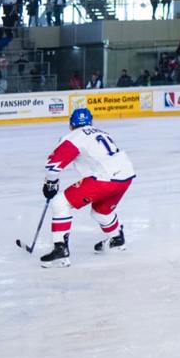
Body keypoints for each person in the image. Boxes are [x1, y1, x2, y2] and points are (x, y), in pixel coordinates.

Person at [38, 107, 137, 267]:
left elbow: (53, 165)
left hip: (105, 179)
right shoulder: (101, 132)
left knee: (60, 203)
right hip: (126, 177)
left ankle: (60, 251)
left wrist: (51, 183)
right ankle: (117, 240)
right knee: (101, 212)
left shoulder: (74, 136)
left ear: (71, 125)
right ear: (91, 122)